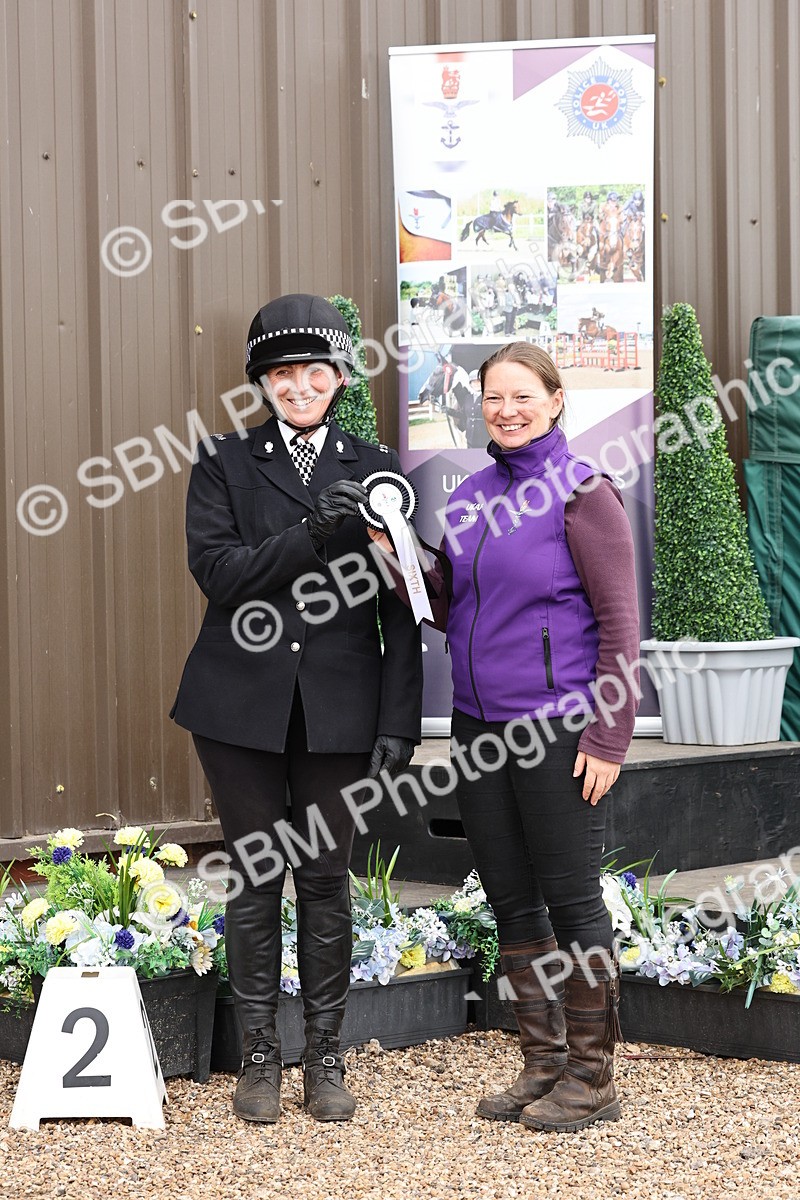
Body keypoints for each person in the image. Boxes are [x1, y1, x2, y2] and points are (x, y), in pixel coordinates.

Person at [371, 341, 639, 1133]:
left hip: (559, 732)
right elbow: (456, 611)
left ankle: (593, 1079)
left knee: (574, 901)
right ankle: (543, 1063)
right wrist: (401, 565)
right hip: (479, 730)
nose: (507, 409)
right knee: (513, 902)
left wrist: (610, 735)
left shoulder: (585, 496)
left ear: (556, 401)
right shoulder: (472, 496)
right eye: (494, 397)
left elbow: (622, 626)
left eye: (523, 396)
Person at [171, 293, 422, 1124]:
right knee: (254, 878)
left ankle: (325, 1057)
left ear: (340, 376)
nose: (301, 384)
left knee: (324, 879)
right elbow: (222, 574)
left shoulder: (377, 465)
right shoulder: (222, 462)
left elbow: (402, 606)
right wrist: (312, 534)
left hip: (339, 713)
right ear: (264, 383)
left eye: (316, 370)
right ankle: (257, 1059)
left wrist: (397, 721)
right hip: (238, 707)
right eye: (284, 372)